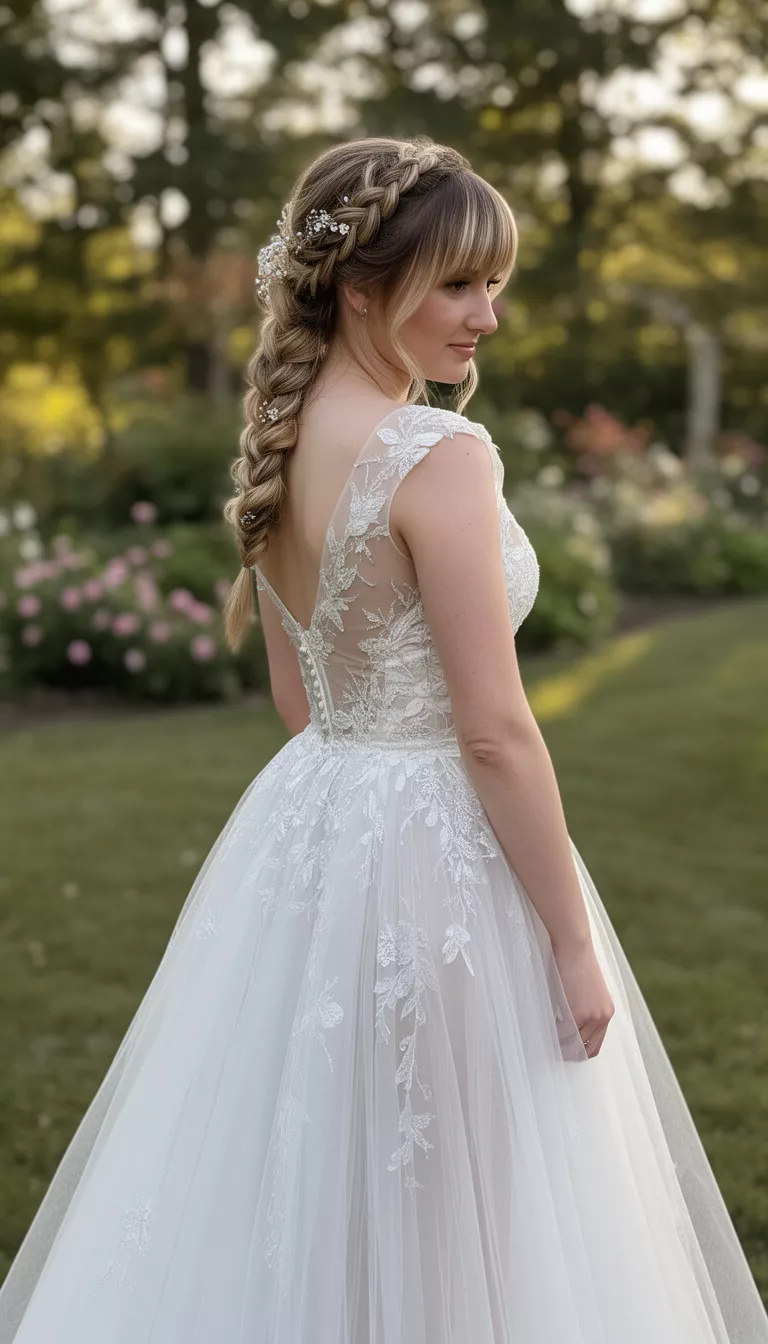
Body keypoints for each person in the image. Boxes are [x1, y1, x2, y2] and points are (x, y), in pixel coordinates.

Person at [0, 134, 765, 1344]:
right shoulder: (436, 454)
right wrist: (570, 942)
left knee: (331, 1186)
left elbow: (303, 706)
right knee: (465, 1202)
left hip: (309, 842)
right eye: (458, 284)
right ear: (363, 287)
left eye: (494, 283)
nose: (489, 318)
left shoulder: (284, 440)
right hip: (435, 862)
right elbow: (500, 732)